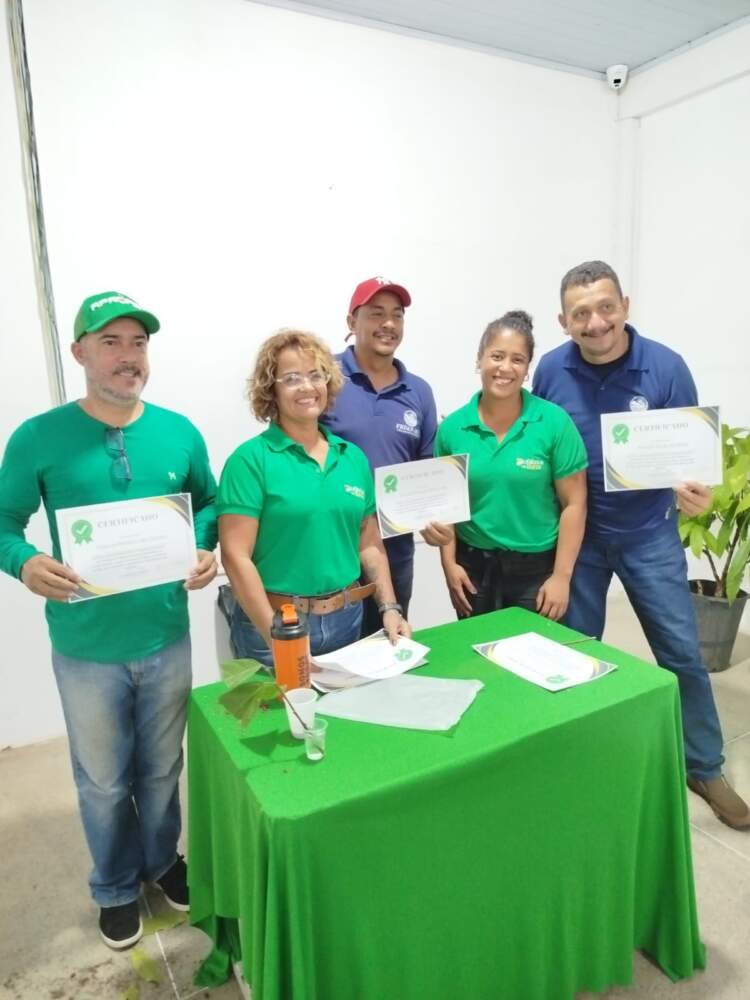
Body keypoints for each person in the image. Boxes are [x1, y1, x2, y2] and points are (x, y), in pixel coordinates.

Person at [0, 291, 218, 948]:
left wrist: (202, 546)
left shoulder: (178, 432)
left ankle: (162, 861)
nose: (129, 357)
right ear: (79, 352)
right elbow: (4, 523)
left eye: (138, 343)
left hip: (165, 636)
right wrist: (25, 563)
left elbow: (209, 503)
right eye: (111, 342)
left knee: (162, 768)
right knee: (101, 781)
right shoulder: (38, 438)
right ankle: (116, 887)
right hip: (86, 647)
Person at [533, 260, 750, 829]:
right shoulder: (550, 371)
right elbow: (544, 446)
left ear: (625, 306)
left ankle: (703, 765)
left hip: (649, 535)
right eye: (581, 313)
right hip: (579, 539)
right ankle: (578, 756)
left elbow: (691, 455)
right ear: (563, 321)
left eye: (606, 307)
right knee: (574, 653)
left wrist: (698, 494)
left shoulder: (667, 367)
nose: (596, 322)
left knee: (681, 655)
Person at [218, 329, 411, 668]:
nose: (307, 387)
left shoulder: (352, 457)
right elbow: (235, 557)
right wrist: (278, 638)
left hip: (347, 621)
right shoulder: (250, 460)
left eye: (315, 375)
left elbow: (368, 543)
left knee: (347, 705)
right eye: (291, 378)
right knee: (281, 706)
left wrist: (390, 608)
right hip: (276, 624)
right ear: (271, 389)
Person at [434, 310, 588, 620]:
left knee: (534, 651)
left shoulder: (554, 422)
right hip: (473, 571)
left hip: (537, 573)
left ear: (527, 369)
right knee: (476, 650)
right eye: (497, 356)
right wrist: (449, 565)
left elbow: (575, 503)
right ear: (479, 359)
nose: (505, 368)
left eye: (517, 360)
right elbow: (446, 506)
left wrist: (561, 577)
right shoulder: (452, 429)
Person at [321, 277, 437, 634]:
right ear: (351, 321)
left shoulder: (419, 391)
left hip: (396, 550)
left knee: (389, 645)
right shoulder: (324, 378)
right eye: (376, 313)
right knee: (333, 655)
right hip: (331, 548)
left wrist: (437, 517)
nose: (388, 323)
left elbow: (427, 469)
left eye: (397, 315)